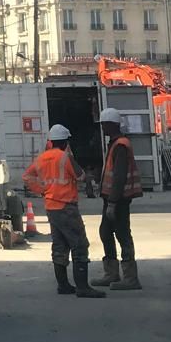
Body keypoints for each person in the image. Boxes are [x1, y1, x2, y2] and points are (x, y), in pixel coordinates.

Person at [23, 123, 105, 298]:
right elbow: (81, 176)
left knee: (60, 245)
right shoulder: (64, 157)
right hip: (66, 207)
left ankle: (63, 285)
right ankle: (82, 287)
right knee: (79, 245)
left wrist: (42, 189)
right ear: (65, 142)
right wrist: (70, 156)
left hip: (51, 207)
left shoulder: (42, 158)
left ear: (51, 141)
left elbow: (27, 176)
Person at [91, 107, 143, 290]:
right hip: (112, 198)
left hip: (118, 199)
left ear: (111, 125)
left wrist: (112, 203)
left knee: (122, 233)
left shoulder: (120, 145)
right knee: (105, 232)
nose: (102, 128)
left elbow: (119, 176)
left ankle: (130, 277)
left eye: (104, 125)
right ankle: (111, 273)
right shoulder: (115, 143)